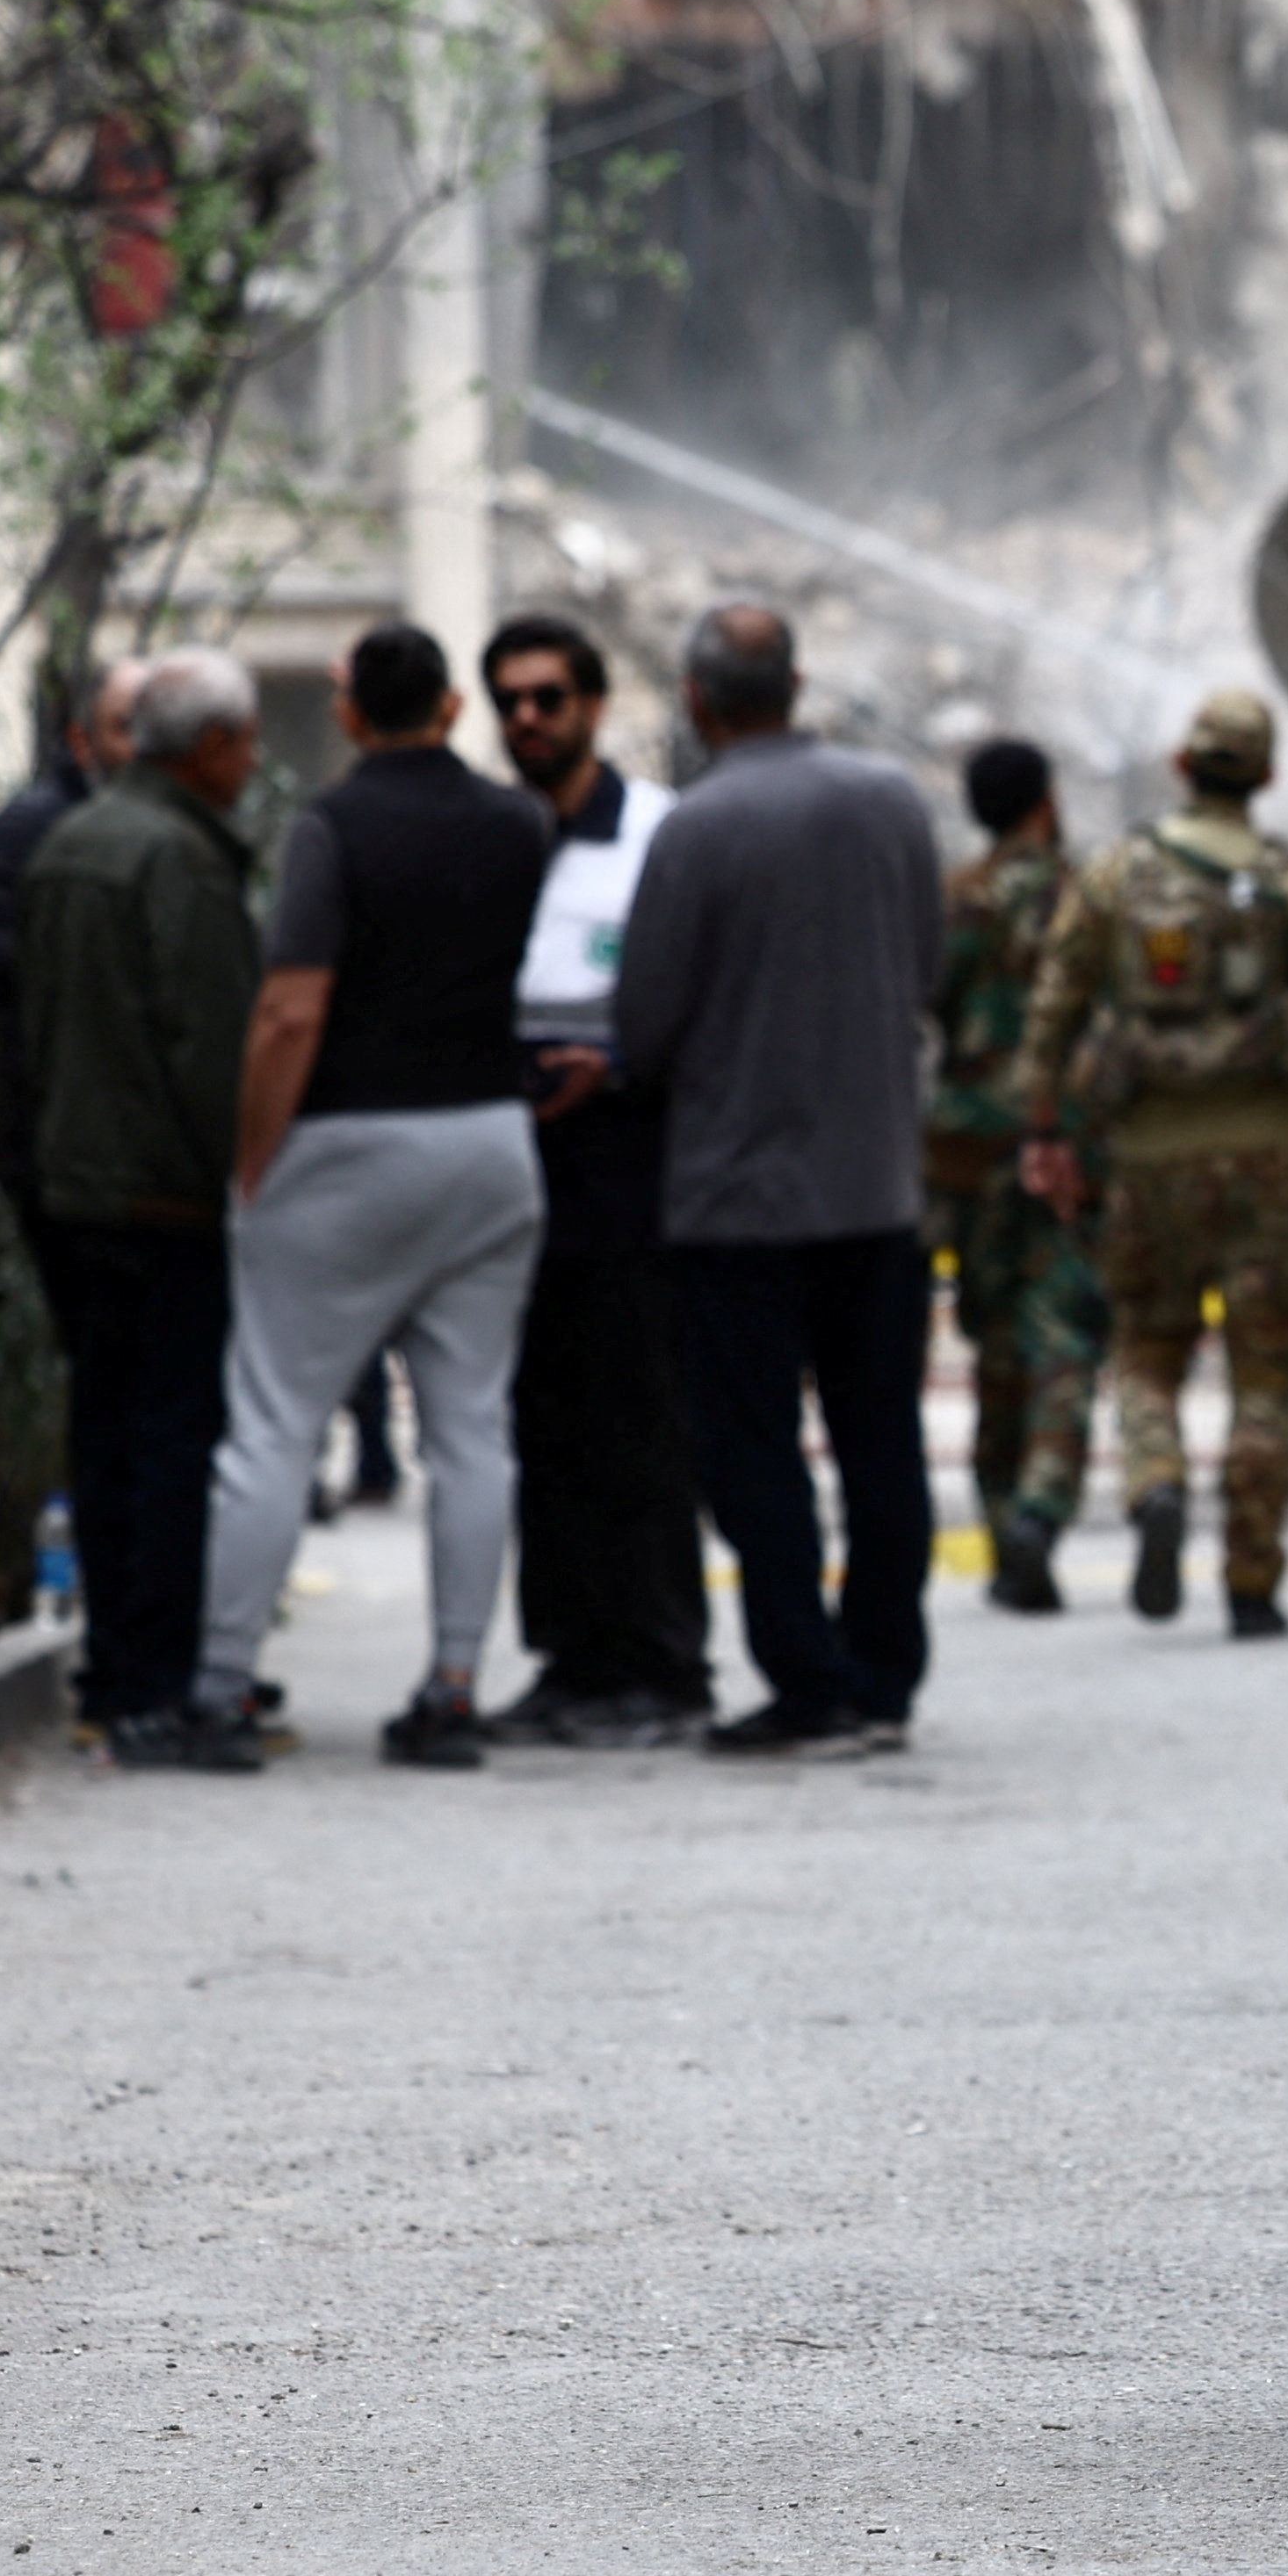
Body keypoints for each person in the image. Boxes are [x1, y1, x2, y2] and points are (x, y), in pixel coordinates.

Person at [187, 622, 560, 1771]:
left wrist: (255, 1162)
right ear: (452, 708)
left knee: (275, 1424)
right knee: (472, 1431)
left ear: (349, 713)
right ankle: (453, 1686)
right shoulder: (522, 824)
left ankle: (221, 1684)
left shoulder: (330, 827)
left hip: (348, 1145)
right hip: (492, 1145)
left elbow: (292, 1009)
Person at [611, 598, 950, 1758]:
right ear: (795, 687)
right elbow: (926, 966)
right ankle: (885, 1679)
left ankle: (807, 1683)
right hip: (874, 1188)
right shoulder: (891, 803)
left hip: (736, 1201)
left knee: (754, 1450)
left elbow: (643, 1026)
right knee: (879, 1442)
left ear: (699, 701)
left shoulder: (693, 830)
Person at [1017, 691, 1288, 1635]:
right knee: (1265, 1365)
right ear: (1268, 775)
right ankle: (1250, 1579)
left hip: (1146, 1156)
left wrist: (1045, 1128)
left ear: (1182, 766)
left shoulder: (1114, 875)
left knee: (1148, 1349)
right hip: (1275, 1155)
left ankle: (1156, 1482)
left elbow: (1054, 1007)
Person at [14, 650, 270, 1771]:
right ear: (210, 747)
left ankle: (116, 1676)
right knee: (170, 1442)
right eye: (246, 743)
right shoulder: (181, 858)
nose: (253, 764)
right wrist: (241, 1175)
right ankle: (159, 1690)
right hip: (163, 1192)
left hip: (73, 1185)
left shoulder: (70, 842)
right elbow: (211, 1046)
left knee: (106, 1432)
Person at [479, 611, 710, 1746]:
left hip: (632, 1161)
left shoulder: (660, 836)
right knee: (542, 1422)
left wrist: (612, 1066)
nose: (529, 719)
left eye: (548, 698)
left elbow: (698, 1003)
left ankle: (663, 1663)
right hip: (515, 1167)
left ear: (591, 707)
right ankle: (569, 1658)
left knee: (642, 1419)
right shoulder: (491, 839)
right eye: (510, 701)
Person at [931, 738, 1102, 1613]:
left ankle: (1004, 1531)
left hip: (970, 1148)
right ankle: (1042, 1506)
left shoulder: (960, 897)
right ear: (1045, 800)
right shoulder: (1090, 891)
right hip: (1072, 1139)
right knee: (1066, 1334)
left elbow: (931, 1000)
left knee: (995, 1339)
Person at [0, 654, 143, 1269]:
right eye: (127, 727)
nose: (146, 749)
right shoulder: (32, 829)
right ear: (81, 740)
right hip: (63, 1145)